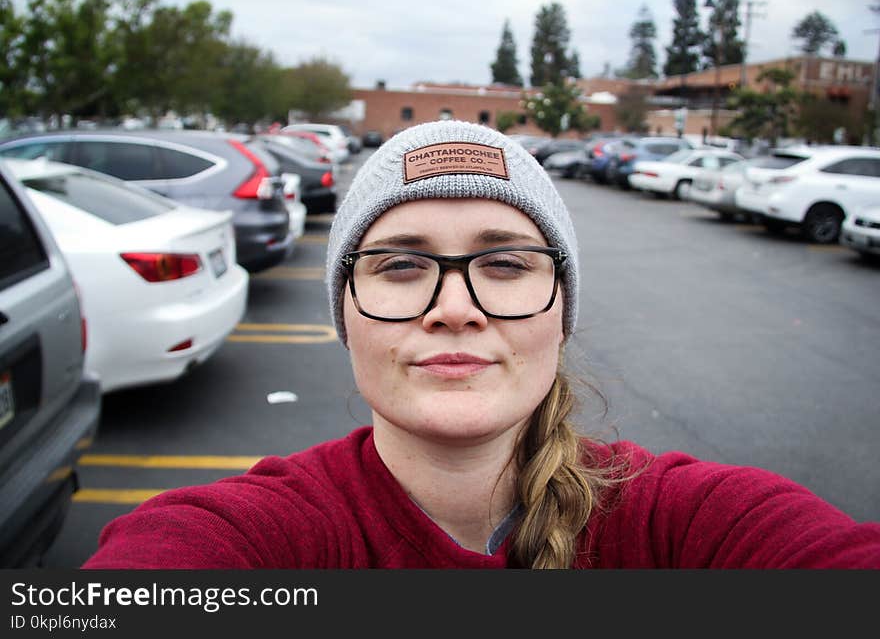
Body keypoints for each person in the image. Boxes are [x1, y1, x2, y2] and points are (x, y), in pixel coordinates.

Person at [82, 120, 880, 569]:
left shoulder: (683, 524)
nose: (455, 308)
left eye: (505, 263)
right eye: (400, 265)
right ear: (345, 313)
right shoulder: (261, 537)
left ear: (559, 309)